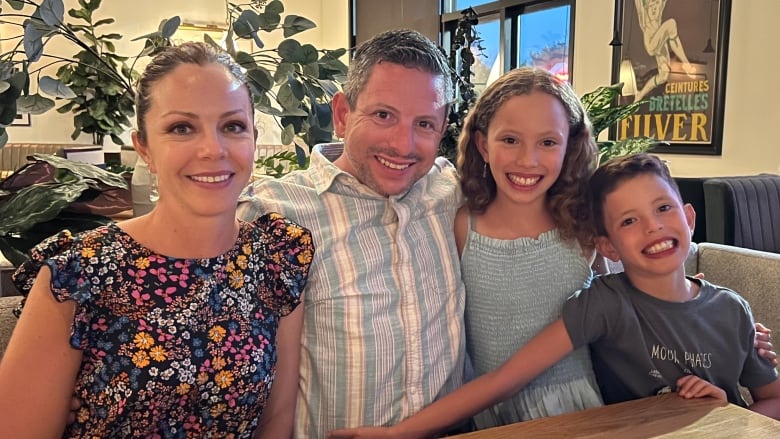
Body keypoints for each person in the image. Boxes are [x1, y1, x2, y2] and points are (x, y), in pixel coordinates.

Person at [329, 153, 780, 438]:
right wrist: (403, 432)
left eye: (663, 209)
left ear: (688, 218)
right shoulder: (605, 303)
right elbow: (505, 378)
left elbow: (770, 398)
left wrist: (723, 410)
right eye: (628, 221)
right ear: (604, 246)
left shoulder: (733, 309)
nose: (653, 227)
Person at [0, 42, 313, 438]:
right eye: (182, 128)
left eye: (233, 126)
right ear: (144, 147)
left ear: (253, 136)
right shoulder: (80, 272)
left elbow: (275, 421)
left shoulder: (277, 260)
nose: (212, 149)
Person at [237, 29, 466, 437]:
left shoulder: (448, 188)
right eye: (383, 115)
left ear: (442, 126)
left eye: (424, 123)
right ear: (342, 114)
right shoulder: (272, 212)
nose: (403, 144)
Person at [455, 67, 602, 428]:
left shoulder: (585, 226)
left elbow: (630, 300)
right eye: (510, 140)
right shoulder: (460, 224)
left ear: (570, 147)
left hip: (582, 413)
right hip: (490, 413)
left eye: (548, 142)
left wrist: (714, 311)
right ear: (482, 144)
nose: (527, 160)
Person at [633, 0, 695, 102]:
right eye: (651, 7)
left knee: (664, 76)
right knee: (671, 24)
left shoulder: (659, 9)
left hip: (660, 42)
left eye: (656, 7)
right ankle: (686, 64)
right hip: (651, 44)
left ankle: (640, 94)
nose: (653, 9)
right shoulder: (644, 15)